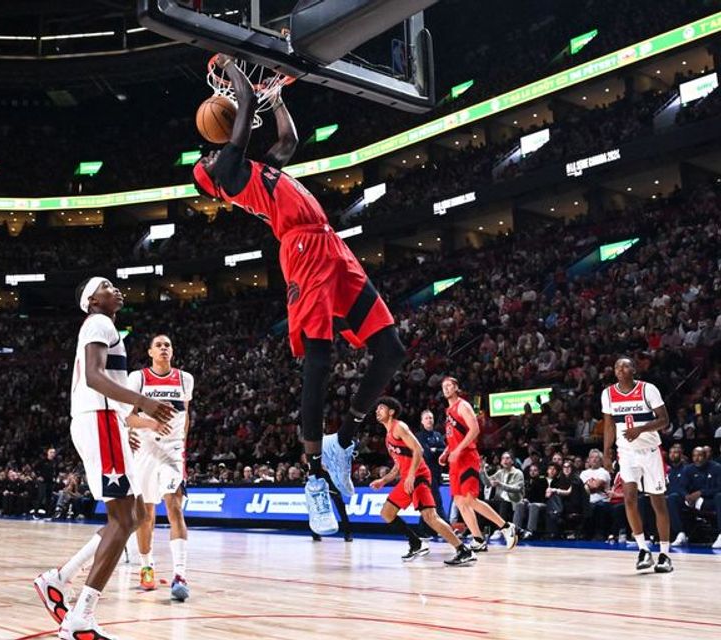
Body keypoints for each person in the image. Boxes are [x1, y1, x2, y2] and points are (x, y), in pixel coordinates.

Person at [191, 54, 406, 535]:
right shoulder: (226, 172)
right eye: (205, 159)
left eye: (207, 152)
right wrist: (229, 67)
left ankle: (342, 440)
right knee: (319, 360)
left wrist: (280, 99)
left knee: (391, 349)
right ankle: (313, 479)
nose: (205, 155)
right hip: (303, 249)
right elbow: (243, 103)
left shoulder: (259, 170)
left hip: (330, 243)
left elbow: (288, 140)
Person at [34, 277, 175, 640]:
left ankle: (60, 579)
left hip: (102, 421)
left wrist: (125, 417)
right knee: (125, 518)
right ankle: (79, 615)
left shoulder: (103, 326)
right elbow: (95, 378)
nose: (117, 290)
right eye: (107, 286)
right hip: (98, 420)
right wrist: (142, 402)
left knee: (128, 517)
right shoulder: (99, 323)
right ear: (92, 299)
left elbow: (99, 382)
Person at [126, 334, 195, 601]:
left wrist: (182, 443)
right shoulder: (138, 378)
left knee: (174, 506)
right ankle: (147, 567)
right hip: (144, 451)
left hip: (172, 452)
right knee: (146, 515)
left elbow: (185, 414)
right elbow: (128, 417)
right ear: (150, 352)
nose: (164, 348)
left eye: (168, 344)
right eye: (159, 345)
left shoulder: (184, 379)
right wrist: (151, 424)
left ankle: (180, 574)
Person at [369, 397, 476, 565]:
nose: (377, 411)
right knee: (386, 513)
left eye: (381, 408)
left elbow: (418, 449)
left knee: (430, 517)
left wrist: (411, 475)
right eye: (377, 408)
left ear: (391, 412)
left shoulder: (399, 427)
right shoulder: (388, 436)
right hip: (407, 478)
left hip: (419, 476)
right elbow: (398, 464)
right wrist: (384, 480)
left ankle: (464, 550)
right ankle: (416, 543)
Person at [601, 357, 673, 573]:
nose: (620, 369)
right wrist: (606, 452)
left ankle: (665, 554)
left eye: (625, 366)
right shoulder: (608, 394)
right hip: (626, 452)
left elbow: (664, 420)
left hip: (650, 452)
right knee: (629, 498)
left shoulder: (648, 389)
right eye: (617, 367)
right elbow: (608, 425)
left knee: (657, 502)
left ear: (634, 369)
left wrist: (640, 430)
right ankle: (643, 550)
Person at [440, 377, 517, 552]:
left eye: (449, 385)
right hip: (455, 459)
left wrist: (458, 449)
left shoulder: (463, 406)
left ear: (456, 387)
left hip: (467, 458)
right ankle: (478, 539)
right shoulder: (449, 410)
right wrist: (447, 451)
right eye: (443, 386)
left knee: (470, 499)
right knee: (459, 502)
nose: (446, 388)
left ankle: (505, 526)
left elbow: (475, 430)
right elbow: (455, 435)